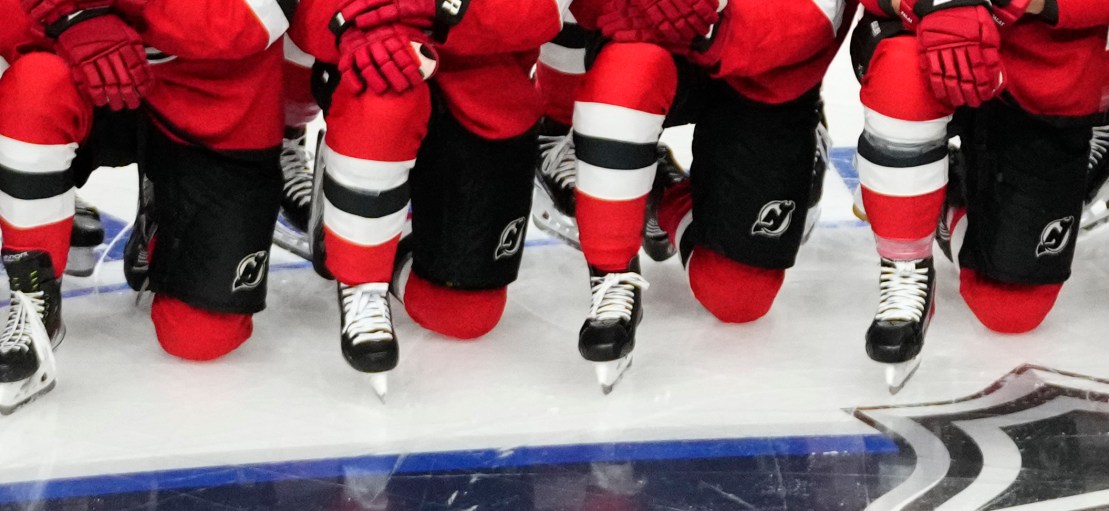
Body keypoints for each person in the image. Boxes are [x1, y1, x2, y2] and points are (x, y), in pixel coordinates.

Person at [0, 0, 286, 410]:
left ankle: (162, 209)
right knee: (33, 87)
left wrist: (99, 9)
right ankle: (33, 297)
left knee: (201, 337)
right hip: (72, 58)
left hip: (213, 91)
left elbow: (256, 17)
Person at [853, 0, 1109, 390]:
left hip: (1041, 60)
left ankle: (944, 198)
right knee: (903, 72)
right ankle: (905, 263)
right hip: (923, 34)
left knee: (1010, 308)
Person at [564, 0, 845, 389]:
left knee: (737, 296)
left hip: (766, 66)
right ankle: (612, 275)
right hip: (649, 37)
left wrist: (708, 22)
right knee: (625, 75)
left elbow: (821, 13)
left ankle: (663, 195)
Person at [290, 0, 560, 391]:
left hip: (486, 87)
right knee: (383, 90)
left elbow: (543, 13)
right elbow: (302, 18)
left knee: (464, 316)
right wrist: (361, 29)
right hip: (375, 64)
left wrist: (432, 11)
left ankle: (377, 236)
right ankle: (361, 276)